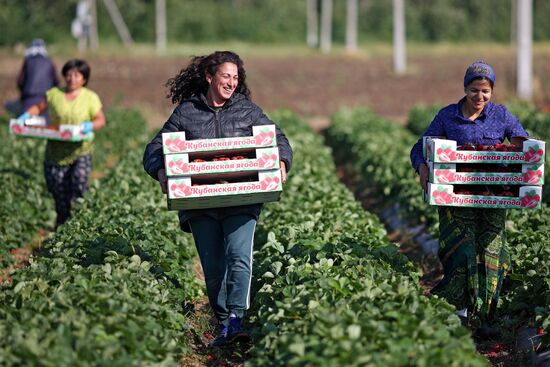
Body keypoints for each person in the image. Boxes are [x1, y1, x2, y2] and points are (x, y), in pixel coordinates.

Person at [143, 51, 293, 347]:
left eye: (236, 77)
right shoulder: (187, 112)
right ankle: (223, 322)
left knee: (239, 258)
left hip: (242, 199)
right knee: (214, 271)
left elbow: (279, 140)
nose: (232, 82)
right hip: (202, 203)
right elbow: (154, 148)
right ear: (209, 77)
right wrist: (160, 170)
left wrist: (282, 161)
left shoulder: (248, 111)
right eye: (226, 76)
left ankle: (236, 319)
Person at [410, 60, 528, 338]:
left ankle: (487, 317)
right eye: (475, 90)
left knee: (491, 255)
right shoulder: (447, 116)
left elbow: (523, 141)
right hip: (456, 197)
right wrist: (423, 166)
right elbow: (421, 146)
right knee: (460, 252)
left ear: (492, 91)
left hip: (494, 197)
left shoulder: (501, 116)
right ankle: (458, 312)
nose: (480, 97)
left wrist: (522, 152)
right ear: (465, 89)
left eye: (485, 91)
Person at [18, 59, 106, 227]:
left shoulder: (90, 98)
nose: (72, 78)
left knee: (79, 186)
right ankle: (63, 223)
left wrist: (89, 125)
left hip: (80, 150)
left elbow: (100, 120)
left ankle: (81, 222)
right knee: (58, 191)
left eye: (77, 75)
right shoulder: (54, 94)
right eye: (69, 74)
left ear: (84, 79)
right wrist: (25, 117)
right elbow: (38, 108)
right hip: (55, 151)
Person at [6, 39, 59, 116]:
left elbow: (20, 81)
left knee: (26, 121)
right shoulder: (49, 61)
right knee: (44, 124)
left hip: (29, 97)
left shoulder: (28, 61)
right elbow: (56, 81)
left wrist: (23, 93)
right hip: (45, 99)